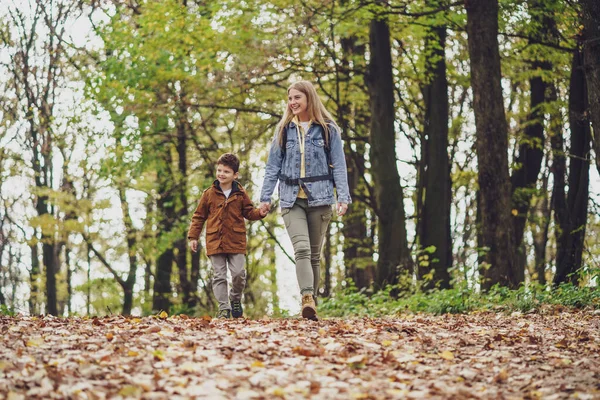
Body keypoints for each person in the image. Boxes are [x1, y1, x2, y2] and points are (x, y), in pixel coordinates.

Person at [259, 80, 351, 321]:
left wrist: (343, 196)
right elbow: (272, 167)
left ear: (309, 98)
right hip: (291, 199)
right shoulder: (283, 130)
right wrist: (265, 198)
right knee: (301, 249)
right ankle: (307, 297)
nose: (292, 102)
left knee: (313, 255)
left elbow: (339, 166)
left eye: (297, 97)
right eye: (290, 98)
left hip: (320, 197)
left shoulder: (329, 129)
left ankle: (312, 305)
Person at [188, 153, 268, 319]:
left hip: (236, 241)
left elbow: (248, 212)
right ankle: (224, 308)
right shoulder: (208, 194)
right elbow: (198, 216)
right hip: (214, 241)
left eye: (226, 171)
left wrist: (260, 213)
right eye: (219, 170)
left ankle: (235, 299)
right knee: (219, 275)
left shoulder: (240, 193)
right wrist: (193, 237)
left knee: (239, 273)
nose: (221, 174)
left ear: (235, 175)